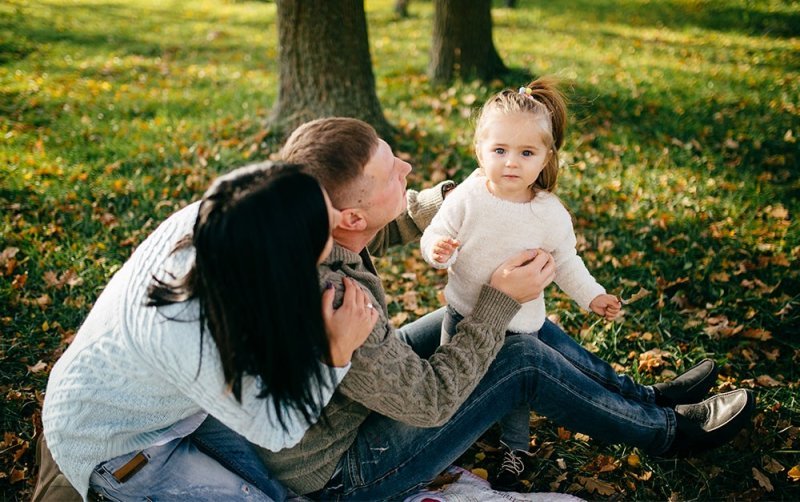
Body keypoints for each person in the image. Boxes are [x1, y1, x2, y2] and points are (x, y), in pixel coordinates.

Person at [256, 117, 754, 500]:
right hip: (345, 473)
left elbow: (380, 229)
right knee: (518, 356)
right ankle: (669, 433)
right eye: (391, 172)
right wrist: (499, 301)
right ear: (349, 214)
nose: (406, 168)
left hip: (344, 403)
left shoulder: (310, 229)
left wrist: (467, 199)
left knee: (491, 326)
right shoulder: (337, 301)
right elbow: (430, 403)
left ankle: (644, 397)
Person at [40, 163, 377, 501]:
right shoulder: (193, 332)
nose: (337, 216)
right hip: (117, 446)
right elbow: (276, 430)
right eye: (326, 220)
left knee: (284, 492)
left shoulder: (230, 216)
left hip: (175, 406)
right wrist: (336, 352)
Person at [419, 77, 623, 490]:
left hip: (519, 324)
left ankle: (516, 448)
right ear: (479, 150)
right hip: (462, 312)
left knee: (514, 394)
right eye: (499, 150)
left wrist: (593, 295)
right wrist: (438, 249)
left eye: (526, 152)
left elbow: (566, 261)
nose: (511, 162)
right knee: (452, 381)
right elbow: (437, 231)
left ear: (546, 157)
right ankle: (454, 441)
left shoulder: (548, 214)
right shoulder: (468, 195)